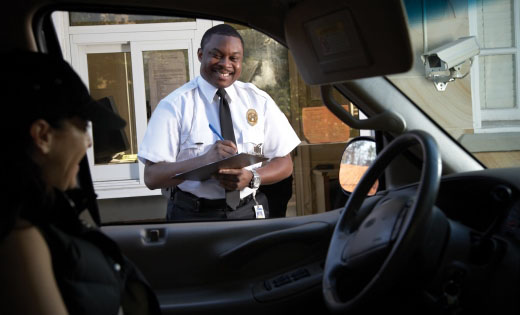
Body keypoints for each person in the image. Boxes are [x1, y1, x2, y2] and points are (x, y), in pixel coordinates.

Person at [0, 51, 161, 315]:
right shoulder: (20, 239)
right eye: (83, 126)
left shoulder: (46, 212)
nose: (88, 141)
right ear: (42, 136)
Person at [138, 24, 300, 220]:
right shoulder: (174, 105)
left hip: (247, 212)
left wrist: (252, 178)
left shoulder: (259, 101)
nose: (225, 64)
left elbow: (284, 162)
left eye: (234, 58)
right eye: (216, 55)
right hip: (193, 216)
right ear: (200, 55)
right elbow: (152, 177)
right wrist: (204, 161)